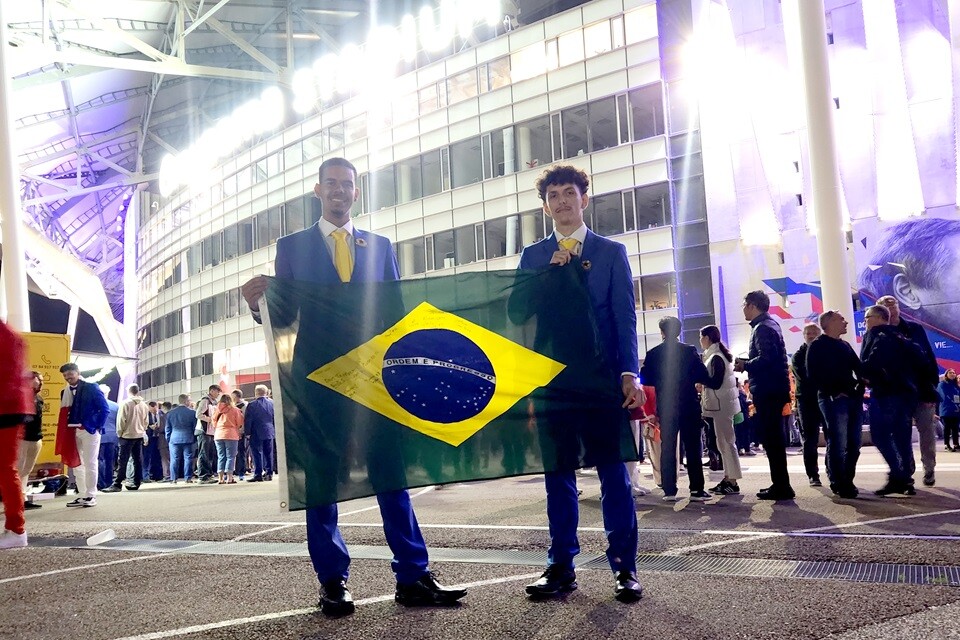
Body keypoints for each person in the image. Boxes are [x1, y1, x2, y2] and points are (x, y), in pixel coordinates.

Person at [241, 157, 466, 616]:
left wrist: (412, 368)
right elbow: (282, 317)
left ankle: (413, 575)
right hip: (318, 380)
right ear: (318, 190)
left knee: (392, 476)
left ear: (357, 193)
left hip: (374, 378)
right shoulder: (293, 247)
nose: (339, 191)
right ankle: (332, 580)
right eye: (332, 184)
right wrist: (254, 304)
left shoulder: (380, 246)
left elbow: (397, 313)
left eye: (347, 185)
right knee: (321, 480)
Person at [516, 164, 643, 602]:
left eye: (569, 193)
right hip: (554, 382)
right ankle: (561, 565)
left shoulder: (611, 252)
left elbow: (624, 317)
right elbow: (516, 313)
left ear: (584, 199)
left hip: (604, 379)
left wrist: (631, 373)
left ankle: (625, 567)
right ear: (545, 205)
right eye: (553, 195)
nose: (562, 201)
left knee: (615, 477)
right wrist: (547, 274)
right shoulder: (534, 256)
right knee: (558, 477)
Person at [641, 316, 713, 502]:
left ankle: (669, 490)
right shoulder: (689, 351)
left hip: (666, 405)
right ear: (679, 331)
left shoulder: (653, 353)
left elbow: (645, 379)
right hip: (688, 403)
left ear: (662, 332)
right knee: (693, 446)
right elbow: (702, 375)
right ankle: (696, 489)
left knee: (668, 447)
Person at [734, 290, 795, 500]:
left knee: (772, 440)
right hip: (774, 389)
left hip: (768, 390)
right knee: (773, 439)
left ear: (752, 305)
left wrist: (745, 364)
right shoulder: (770, 325)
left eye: (744, 304)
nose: (743, 309)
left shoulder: (762, 328)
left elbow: (766, 359)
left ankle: (781, 486)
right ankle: (780, 484)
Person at [876, 295, 940, 487]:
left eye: (893, 304)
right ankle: (907, 471)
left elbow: (929, 358)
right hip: (897, 394)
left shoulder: (915, 329)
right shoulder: (880, 333)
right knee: (900, 434)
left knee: (927, 431)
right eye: (885, 306)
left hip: (921, 390)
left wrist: (931, 389)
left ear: (899, 307)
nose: (891, 309)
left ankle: (929, 468)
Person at [860, 304, 920, 496]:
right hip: (906, 393)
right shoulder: (900, 336)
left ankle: (898, 474)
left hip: (887, 393)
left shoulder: (878, 335)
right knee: (902, 437)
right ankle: (904, 478)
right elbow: (922, 360)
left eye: (867, 317)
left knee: (880, 435)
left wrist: (863, 372)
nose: (865, 321)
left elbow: (871, 363)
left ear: (878, 318)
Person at [805, 311, 864, 499]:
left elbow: (859, 367)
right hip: (832, 399)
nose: (846, 322)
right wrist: (833, 391)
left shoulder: (845, 345)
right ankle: (839, 481)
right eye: (842, 319)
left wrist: (859, 389)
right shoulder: (817, 346)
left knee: (854, 443)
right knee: (838, 441)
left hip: (852, 399)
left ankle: (847, 479)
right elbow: (812, 374)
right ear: (829, 323)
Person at [0, 320, 34, 548]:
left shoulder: (5, 335)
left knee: (5, 468)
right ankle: (15, 529)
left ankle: (16, 529)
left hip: (6, 407)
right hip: (11, 406)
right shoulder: (7, 333)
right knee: (5, 468)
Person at [699, 325, 742, 496]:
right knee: (723, 442)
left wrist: (701, 380)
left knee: (726, 442)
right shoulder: (717, 355)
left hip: (721, 405)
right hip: (723, 404)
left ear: (707, 338)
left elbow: (715, 382)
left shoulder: (715, 357)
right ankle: (728, 478)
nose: (700, 341)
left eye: (701, 337)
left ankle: (732, 480)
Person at [58, 363, 110, 507]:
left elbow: (104, 409)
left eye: (70, 374)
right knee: (76, 464)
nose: (68, 377)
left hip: (89, 431)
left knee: (90, 463)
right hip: (71, 431)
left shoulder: (91, 387)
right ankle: (82, 494)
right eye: (65, 375)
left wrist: (96, 426)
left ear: (77, 372)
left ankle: (91, 495)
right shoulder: (65, 392)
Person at [792, 323, 826, 486]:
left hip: (825, 398)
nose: (811, 336)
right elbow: (806, 377)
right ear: (804, 336)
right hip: (806, 401)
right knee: (810, 439)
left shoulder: (825, 352)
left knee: (831, 436)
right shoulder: (798, 356)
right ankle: (813, 474)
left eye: (814, 333)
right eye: (808, 333)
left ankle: (833, 470)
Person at [103, 384, 149, 493]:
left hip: (127, 435)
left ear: (128, 391)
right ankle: (136, 482)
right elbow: (146, 422)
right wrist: (142, 430)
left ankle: (117, 483)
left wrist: (120, 433)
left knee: (122, 460)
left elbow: (121, 421)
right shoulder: (143, 405)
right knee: (137, 459)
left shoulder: (125, 403)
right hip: (139, 435)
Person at [19, 372, 45, 510]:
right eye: (37, 380)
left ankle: (22, 498)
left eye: (41, 380)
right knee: (19, 470)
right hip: (22, 438)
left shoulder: (39, 399)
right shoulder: (20, 397)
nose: (40, 383)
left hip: (35, 437)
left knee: (27, 470)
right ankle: (16, 499)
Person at [244, 385, 276, 482]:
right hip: (269, 431)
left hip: (256, 432)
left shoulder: (252, 405)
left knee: (257, 453)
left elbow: (248, 420)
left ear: (256, 393)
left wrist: (248, 432)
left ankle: (258, 474)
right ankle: (269, 473)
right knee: (269, 453)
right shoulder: (272, 403)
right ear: (266, 392)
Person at [212, 394, 243, 484]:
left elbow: (213, 422)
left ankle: (220, 478)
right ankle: (230, 478)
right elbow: (239, 422)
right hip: (231, 434)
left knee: (221, 456)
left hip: (218, 434)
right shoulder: (235, 410)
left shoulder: (217, 410)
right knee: (231, 457)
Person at [165, 394, 196, 483]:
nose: (190, 402)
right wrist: (194, 438)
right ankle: (188, 478)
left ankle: (173, 478)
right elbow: (194, 427)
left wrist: (169, 439)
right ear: (186, 401)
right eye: (189, 401)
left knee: (174, 459)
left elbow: (168, 428)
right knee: (188, 459)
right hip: (188, 438)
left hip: (174, 439)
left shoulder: (170, 413)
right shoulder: (192, 413)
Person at [194, 385, 221, 483]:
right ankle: (203, 475)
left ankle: (208, 474)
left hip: (210, 431)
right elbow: (198, 414)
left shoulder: (214, 402)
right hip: (203, 431)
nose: (218, 394)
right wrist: (209, 419)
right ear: (212, 391)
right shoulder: (205, 401)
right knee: (203, 453)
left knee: (209, 453)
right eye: (217, 392)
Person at [96, 385, 119, 491]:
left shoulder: (95, 405)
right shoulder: (115, 406)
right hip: (112, 436)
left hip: (99, 435)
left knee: (100, 460)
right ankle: (109, 482)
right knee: (110, 461)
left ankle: (101, 483)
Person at [938, 369, 960, 451]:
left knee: (955, 428)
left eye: (954, 373)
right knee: (947, 428)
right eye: (950, 372)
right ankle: (946, 444)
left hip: (956, 410)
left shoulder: (955, 385)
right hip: (946, 410)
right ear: (946, 374)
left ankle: (956, 444)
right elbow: (944, 396)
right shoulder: (942, 384)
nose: (952, 374)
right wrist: (953, 403)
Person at [230, 390, 249, 481]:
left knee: (241, 452)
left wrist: (241, 431)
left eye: (233, 396)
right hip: (233, 432)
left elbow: (244, 420)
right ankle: (235, 470)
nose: (232, 398)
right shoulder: (232, 407)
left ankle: (241, 471)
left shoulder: (243, 406)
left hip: (240, 432)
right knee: (234, 452)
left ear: (237, 397)